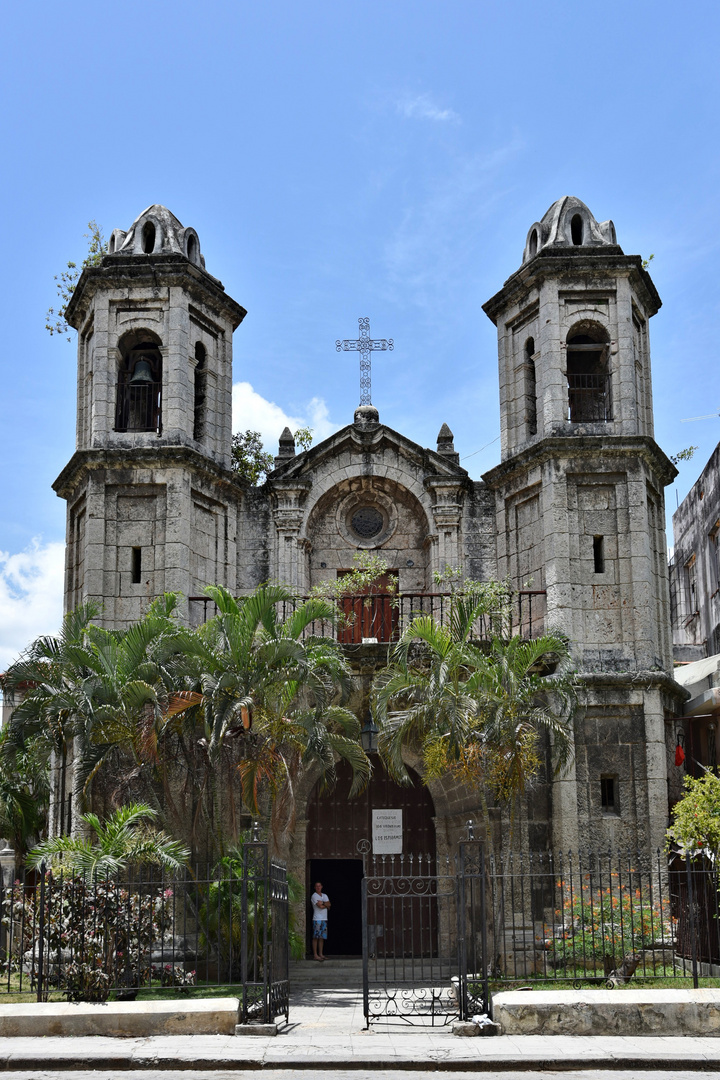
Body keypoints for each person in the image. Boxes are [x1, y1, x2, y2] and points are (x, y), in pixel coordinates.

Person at [311, 881, 330, 961]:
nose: (318, 887)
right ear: (315, 888)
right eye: (316, 886)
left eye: (319, 886)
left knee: (322, 937)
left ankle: (321, 954)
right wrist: (325, 905)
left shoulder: (325, 895)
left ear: (321, 887)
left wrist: (323, 903)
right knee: (316, 937)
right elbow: (320, 906)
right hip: (317, 919)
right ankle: (315, 955)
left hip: (324, 919)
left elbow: (329, 904)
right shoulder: (314, 896)